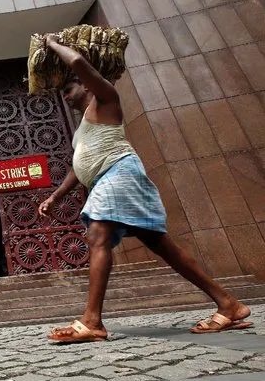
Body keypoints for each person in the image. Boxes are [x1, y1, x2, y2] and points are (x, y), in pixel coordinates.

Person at [38, 33, 252, 343]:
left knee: (98, 235)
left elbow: (80, 63)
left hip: (118, 173)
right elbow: (79, 166)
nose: (66, 97)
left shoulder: (106, 100)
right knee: (162, 245)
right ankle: (229, 305)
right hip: (107, 178)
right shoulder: (83, 125)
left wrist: (53, 44)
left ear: (85, 84)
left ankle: (92, 321)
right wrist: (56, 196)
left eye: (68, 89)